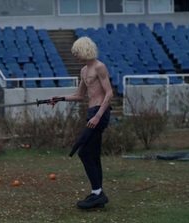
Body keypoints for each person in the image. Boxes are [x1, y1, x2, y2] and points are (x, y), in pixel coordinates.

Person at [48, 36, 113, 209]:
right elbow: (79, 95)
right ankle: (98, 194)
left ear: (84, 49)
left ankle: (97, 194)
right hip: (92, 112)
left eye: (77, 51)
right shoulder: (84, 71)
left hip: (99, 113)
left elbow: (109, 94)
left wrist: (98, 116)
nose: (75, 55)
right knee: (93, 154)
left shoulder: (99, 67)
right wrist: (59, 98)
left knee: (83, 152)